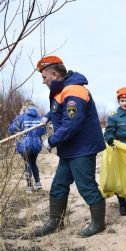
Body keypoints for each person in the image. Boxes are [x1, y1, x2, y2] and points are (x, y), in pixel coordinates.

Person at [33, 55, 106, 238]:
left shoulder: (74, 90)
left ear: (55, 74)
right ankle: (54, 222)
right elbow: (60, 107)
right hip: (70, 149)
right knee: (59, 185)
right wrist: (48, 115)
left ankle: (99, 223)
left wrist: (50, 141)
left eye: (44, 77)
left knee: (86, 186)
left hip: (82, 149)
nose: (43, 81)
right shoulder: (64, 89)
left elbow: (72, 124)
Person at [103, 87, 126, 216]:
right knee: (121, 178)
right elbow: (109, 131)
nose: (125, 103)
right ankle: (122, 204)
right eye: (122, 100)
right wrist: (110, 138)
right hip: (121, 149)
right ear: (119, 101)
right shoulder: (114, 117)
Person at [8, 101, 46, 193]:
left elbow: (11, 129)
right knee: (33, 162)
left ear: (24, 107)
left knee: (27, 163)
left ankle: (29, 186)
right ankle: (38, 183)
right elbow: (43, 131)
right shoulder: (39, 117)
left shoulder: (21, 117)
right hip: (36, 145)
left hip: (24, 144)